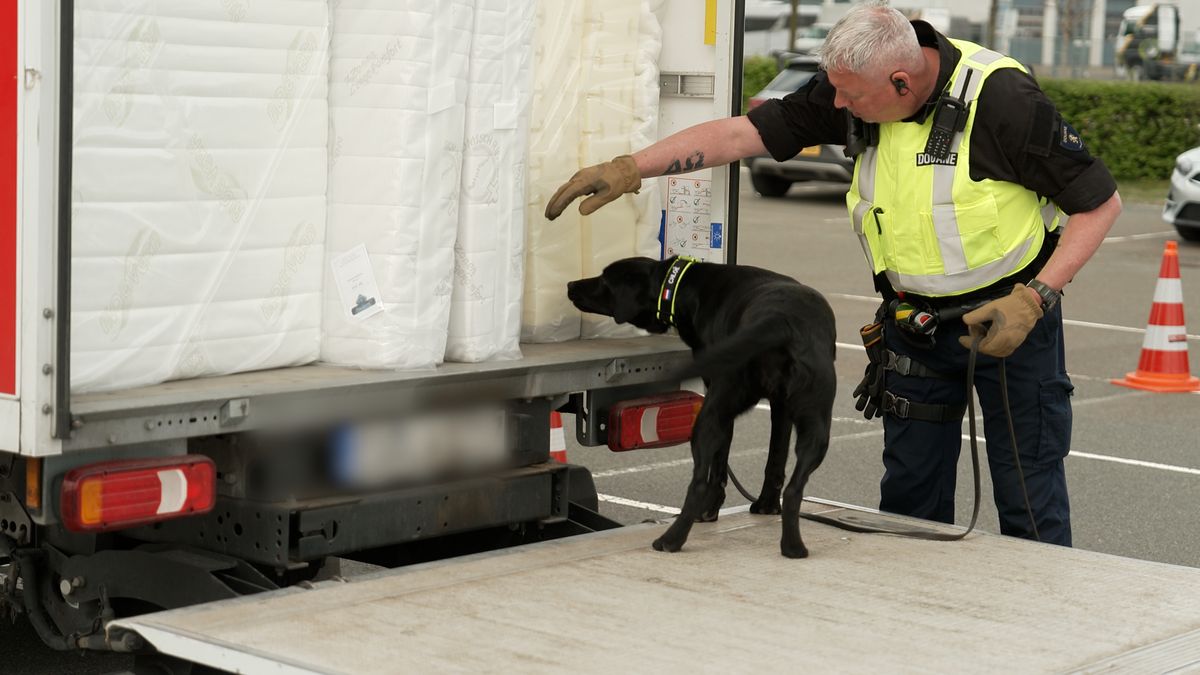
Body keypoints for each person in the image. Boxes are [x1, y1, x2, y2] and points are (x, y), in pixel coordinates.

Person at [544, 0, 1122, 546]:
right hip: (915, 327)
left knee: (1028, 495)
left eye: (850, 97)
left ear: (901, 81)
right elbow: (742, 133)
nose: (837, 107)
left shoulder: (1003, 102)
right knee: (910, 505)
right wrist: (630, 168)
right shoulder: (852, 86)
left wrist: (1035, 298)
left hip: (1008, 326)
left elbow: (1099, 203)